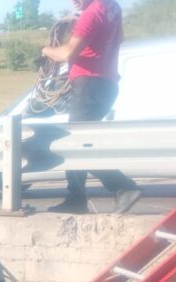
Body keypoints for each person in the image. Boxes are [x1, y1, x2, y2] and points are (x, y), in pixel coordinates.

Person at [42, 0, 143, 215]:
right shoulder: (111, 6)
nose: (73, 1)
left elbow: (66, 54)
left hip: (90, 85)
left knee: (75, 144)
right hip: (105, 84)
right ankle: (76, 198)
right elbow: (119, 38)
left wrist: (46, 50)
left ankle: (122, 187)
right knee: (81, 142)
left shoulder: (91, 14)